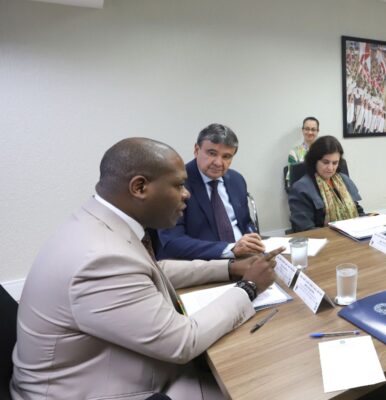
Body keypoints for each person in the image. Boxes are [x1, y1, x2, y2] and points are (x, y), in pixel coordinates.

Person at [11, 138, 283, 399]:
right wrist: (248, 287)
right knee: (260, 386)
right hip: (97, 390)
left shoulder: (99, 221)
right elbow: (183, 342)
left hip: (109, 367)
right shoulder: (100, 259)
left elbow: (155, 270)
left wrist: (231, 268)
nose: (186, 194)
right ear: (139, 187)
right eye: (179, 185)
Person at [158, 124, 265, 260]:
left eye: (226, 156)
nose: (219, 163)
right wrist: (230, 249)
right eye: (212, 153)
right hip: (201, 264)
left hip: (245, 257)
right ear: (196, 150)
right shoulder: (175, 184)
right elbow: (173, 242)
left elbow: (245, 223)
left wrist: (253, 240)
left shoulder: (236, 180)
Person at [289, 135, 364, 232]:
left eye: (335, 163)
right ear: (314, 161)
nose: (330, 168)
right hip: (323, 242)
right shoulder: (301, 188)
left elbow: (357, 210)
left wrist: (371, 220)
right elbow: (304, 229)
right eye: (325, 162)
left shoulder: (344, 180)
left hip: (353, 236)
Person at [287, 116, 320, 182]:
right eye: (307, 129)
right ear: (303, 130)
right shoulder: (294, 152)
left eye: (313, 129)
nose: (310, 132)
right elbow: (292, 179)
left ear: (317, 131)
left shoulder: (324, 150)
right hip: (303, 188)